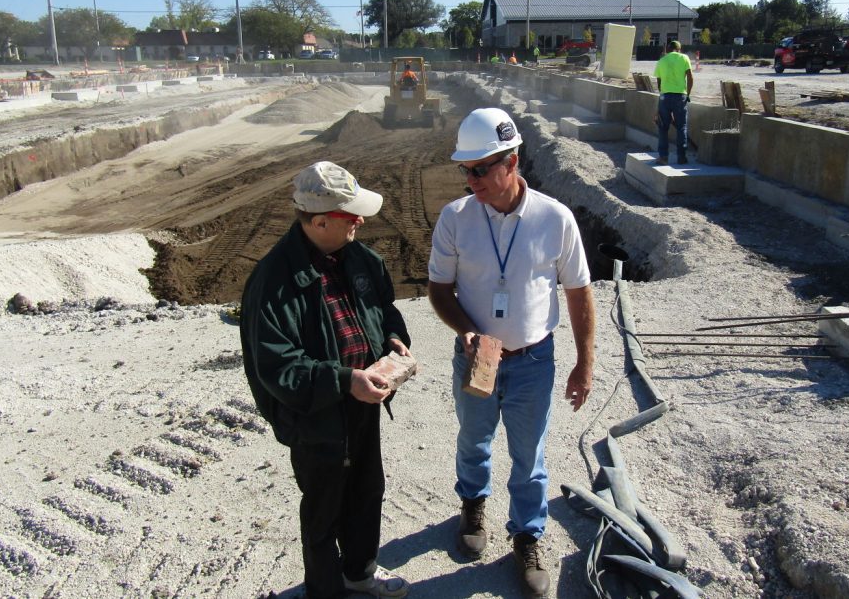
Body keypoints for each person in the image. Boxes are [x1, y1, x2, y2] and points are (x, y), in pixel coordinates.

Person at [427, 108, 595, 598]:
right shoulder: (456, 218)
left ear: (512, 161)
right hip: (479, 357)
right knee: (473, 440)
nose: (471, 179)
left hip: (533, 361)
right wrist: (467, 331)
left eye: (481, 168)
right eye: (467, 169)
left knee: (530, 456)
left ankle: (526, 536)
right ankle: (473, 505)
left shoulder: (554, 218)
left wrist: (585, 364)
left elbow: (579, 294)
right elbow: (439, 290)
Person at [240, 161, 412, 599]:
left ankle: (359, 574)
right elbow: (278, 366)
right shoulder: (273, 282)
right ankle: (325, 591)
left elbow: (385, 311)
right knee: (323, 511)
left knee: (367, 490)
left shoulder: (361, 260)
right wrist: (342, 380)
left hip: (363, 404)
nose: (359, 221)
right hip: (315, 417)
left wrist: (393, 340)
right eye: (349, 215)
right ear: (318, 222)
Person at [653, 40, 694, 165]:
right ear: (679, 49)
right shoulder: (684, 58)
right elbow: (690, 77)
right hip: (680, 96)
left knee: (663, 127)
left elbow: (659, 83)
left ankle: (663, 157)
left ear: (668, 49)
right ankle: (681, 157)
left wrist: (663, 95)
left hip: (665, 97)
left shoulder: (662, 60)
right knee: (681, 127)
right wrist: (688, 94)